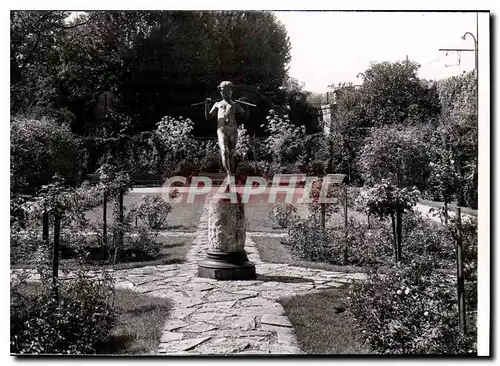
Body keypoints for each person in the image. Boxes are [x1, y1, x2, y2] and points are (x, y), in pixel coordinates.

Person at [205, 81, 249, 178]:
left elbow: (245, 116)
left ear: (232, 92)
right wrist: (207, 105)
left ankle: (232, 174)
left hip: (233, 129)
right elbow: (208, 117)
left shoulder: (236, 104)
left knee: (231, 153)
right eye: (224, 91)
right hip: (221, 129)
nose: (227, 93)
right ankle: (229, 175)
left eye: (229, 91)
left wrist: (245, 106)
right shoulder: (217, 104)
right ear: (220, 92)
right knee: (224, 151)